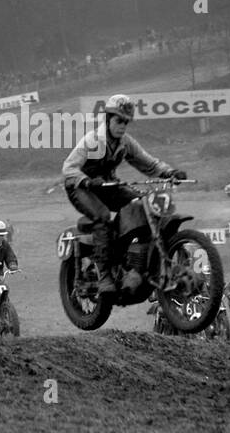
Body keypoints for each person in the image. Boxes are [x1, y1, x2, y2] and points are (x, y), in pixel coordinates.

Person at [61, 93, 185, 296]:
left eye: (126, 122)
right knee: (101, 217)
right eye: (119, 121)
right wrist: (87, 180)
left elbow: (149, 163)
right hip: (80, 187)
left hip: (108, 186)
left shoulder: (125, 143)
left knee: (142, 204)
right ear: (108, 119)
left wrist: (170, 172)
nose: (122, 126)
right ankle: (104, 276)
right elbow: (68, 168)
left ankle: (132, 261)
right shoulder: (92, 141)